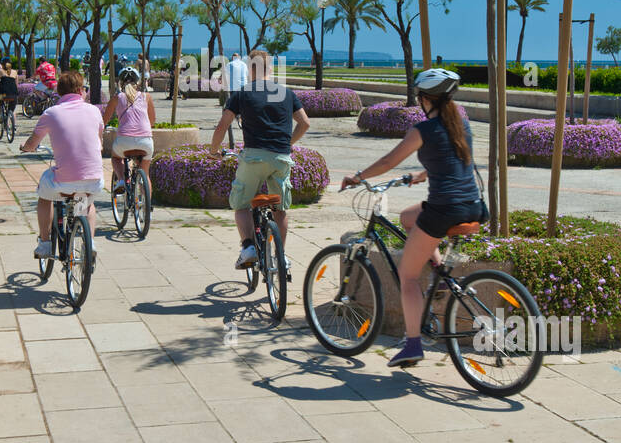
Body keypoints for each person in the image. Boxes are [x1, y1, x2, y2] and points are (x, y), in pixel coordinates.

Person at [340, 68, 487, 368]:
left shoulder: (422, 130)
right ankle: (439, 273)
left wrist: (357, 177)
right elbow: (455, 162)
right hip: (473, 206)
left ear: (424, 99)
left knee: (407, 276)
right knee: (408, 217)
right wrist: (422, 175)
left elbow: (387, 161)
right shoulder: (461, 124)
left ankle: (413, 345)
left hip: (443, 210)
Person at [208, 49, 310, 270]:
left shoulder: (242, 94)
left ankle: (248, 247)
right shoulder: (286, 92)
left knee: (242, 204)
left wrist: (213, 150)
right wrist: (288, 144)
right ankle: (280, 256)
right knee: (280, 208)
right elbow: (305, 123)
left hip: (253, 157)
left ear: (250, 69)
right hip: (281, 157)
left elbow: (222, 126)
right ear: (270, 69)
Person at [21, 70, 104, 259]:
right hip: (94, 179)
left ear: (59, 91)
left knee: (44, 195)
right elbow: (99, 142)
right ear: (81, 90)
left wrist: (26, 148)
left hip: (65, 180)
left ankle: (45, 243)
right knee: (87, 204)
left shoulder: (51, 113)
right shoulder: (94, 111)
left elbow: (33, 141)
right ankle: (89, 243)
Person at [103, 67, 156, 189]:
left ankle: (121, 180)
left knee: (116, 158)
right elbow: (152, 121)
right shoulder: (146, 97)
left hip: (124, 141)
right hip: (145, 142)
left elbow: (103, 122)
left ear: (120, 83)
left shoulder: (116, 98)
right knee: (146, 175)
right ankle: (145, 205)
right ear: (138, 82)